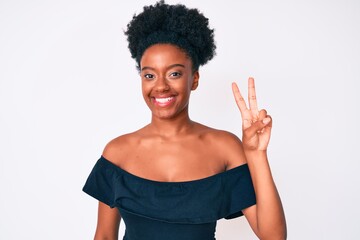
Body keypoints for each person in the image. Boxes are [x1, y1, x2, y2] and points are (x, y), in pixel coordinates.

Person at [83, 1, 287, 239]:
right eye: (149, 75)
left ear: (195, 79)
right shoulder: (117, 152)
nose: (160, 86)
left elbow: (273, 237)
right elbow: (105, 236)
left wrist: (256, 155)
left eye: (174, 73)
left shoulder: (224, 147)